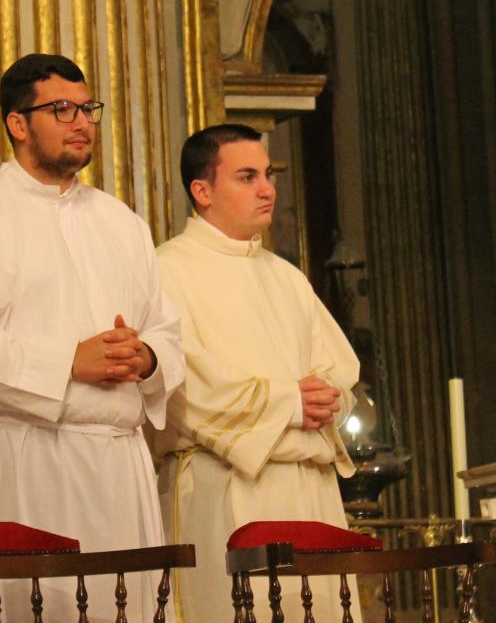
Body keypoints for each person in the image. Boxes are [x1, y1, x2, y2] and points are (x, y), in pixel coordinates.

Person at [0, 53, 183, 622]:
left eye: (87, 108)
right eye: (61, 109)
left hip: (118, 463)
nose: (81, 121)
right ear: (18, 123)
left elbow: (165, 325)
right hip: (26, 455)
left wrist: (147, 355)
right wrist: (67, 361)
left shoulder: (123, 223)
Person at [153, 124, 360, 622]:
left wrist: (326, 399)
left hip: (310, 491)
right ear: (202, 191)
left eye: (268, 175)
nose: (267, 189)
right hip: (225, 486)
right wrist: (290, 403)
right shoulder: (165, 270)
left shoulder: (285, 276)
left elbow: (340, 374)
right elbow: (184, 386)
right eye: (246, 177)